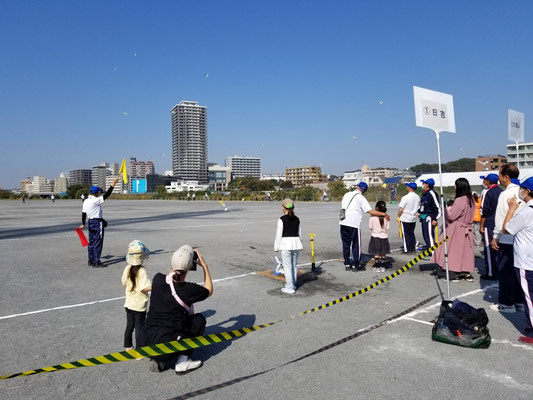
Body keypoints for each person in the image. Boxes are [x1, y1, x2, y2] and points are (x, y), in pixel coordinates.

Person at [141, 245, 213, 373]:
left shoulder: (158, 279)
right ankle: (182, 362)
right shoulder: (188, 290)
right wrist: (205, 266)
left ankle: (159, 360)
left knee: (166, 320)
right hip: (168, 346)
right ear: (190, 266)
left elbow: (170, 280)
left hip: (146, 342)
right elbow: (209, 290)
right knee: (199, 320)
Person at [501, 177, 533, 345]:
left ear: (526, 191)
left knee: (529, 296)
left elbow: (507, 229)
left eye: (522, 189)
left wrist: (511, 208)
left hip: (526, 261)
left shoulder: (527, 211)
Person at [490, 164, 525, 313]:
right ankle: (519, 302)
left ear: (506, 177)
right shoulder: (524, 193)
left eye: (500, 175)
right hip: (522, 239)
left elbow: (500, 218)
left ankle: (506, 303)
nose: (499, 178)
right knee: (519, 272)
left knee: (506, 272)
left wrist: (495, 237)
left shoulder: (505, 194)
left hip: (507, 237)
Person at [432, 178, 475, 282]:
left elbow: (452, 216)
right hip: (466, 227)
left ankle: (452, 272)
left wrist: (447, 209)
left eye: (455, 185)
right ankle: (464, 270)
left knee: (451, 251)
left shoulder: (460, 200)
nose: (454, 187)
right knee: (464, 252)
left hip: (457, 229)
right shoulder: (471, 199)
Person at [340, 182, 389, 271]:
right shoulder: (361, 197)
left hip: (343, 222)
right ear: (364, 190)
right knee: (356, 245)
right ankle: (355, 264)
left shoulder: (346, 194)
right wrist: (383, 214)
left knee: (346, 244)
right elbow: (370, 211)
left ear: (357, 187)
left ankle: (347, 263)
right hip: (354, 223)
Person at [78, 177, 119, 267]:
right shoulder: (96, 200)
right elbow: (107, 194)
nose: (99, 193)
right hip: (97, 223)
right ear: (96, 193)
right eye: (98, 192)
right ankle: (97, 261)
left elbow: (83, 213)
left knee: (91, 242)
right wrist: (113, 183)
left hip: (90, 222)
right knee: (98, 242)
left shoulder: (86, 201)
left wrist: (83, 223)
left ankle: (91, 260)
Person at [121, 240, 152, 351]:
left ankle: (128, 346)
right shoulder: (142, 271)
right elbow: (144, 288)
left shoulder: (127, 268)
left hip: (129, 303)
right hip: (139, 305)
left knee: (130, 326)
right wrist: (155, 286)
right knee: (139, 327)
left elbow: (123, 283)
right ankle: (140, 349)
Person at [274, 198, 303, 294]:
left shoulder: (281, 219)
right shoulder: (298, 219)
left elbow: (279, 234)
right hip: (296, 243)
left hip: (286, 244)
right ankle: (293, 284)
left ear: (283, 207)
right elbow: (300, 233)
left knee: (287, 267)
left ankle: (290, 287)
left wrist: (276, 247)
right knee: (294, 266)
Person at [479, 174, 503, 280]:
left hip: (490, 222)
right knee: (498, 248)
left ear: (488, 181)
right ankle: (499, 270)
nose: (484, 182)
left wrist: (481, 225)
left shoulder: (489, 192)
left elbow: (485, 211)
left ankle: (491, 272)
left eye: (485, 180)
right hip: (500, 223)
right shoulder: (501, 191)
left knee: (489, 248)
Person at [417, 178, 440, 252]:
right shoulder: (424, 194)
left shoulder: (432, 193)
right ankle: (428, 250)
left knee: (430, 236)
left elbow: (437, 208)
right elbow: (423, 205)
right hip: (424, 217)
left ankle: (433, 253)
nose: (423, 185)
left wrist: (435, 219)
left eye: (424, 183)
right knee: (425, 235)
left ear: (428, 185)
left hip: (430, 218)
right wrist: (419, 212)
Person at [398, 182, 420, 254]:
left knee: (405, 234)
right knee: (411, 233)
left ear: (410, 188)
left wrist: (398, 216)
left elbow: (401, 209)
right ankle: (412, 248)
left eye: (407, 186)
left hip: (405, 217)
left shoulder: (405, 197)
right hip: (413, 218)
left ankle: (407, 248)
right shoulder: (417, 197)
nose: (406, 187)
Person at [368, 201, 390, 272]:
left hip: (375, 236)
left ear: (376, 208)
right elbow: (387, 228)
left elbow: (370, 227)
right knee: (383, 253)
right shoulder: (387, 217)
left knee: (376, 252)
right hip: (384, 236)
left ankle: (377, 265)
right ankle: (383, 266)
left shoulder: (372, 217)